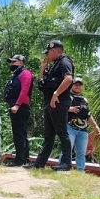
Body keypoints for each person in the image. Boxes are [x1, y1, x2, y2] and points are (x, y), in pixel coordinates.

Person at [25, 40, 74, 171]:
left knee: (62, 132)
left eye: (48, 53)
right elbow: (42, 83)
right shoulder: (54, 65)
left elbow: (69, 79)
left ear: (53, 50)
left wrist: (56, 94)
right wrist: (43, 67)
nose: (47, 55)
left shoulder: (64, 62)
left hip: (59, 102)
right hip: (50, 103)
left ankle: (66, 163)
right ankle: (39, 163)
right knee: (49, 135)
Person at [61, 76, 100, 172]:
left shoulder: (84, 100)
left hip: (83, 129)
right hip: (70, 126)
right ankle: (63, 167)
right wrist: (69, 109)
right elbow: (58, 108)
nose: (78, 86)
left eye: (80, 85)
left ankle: (80, 171)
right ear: (72, 85)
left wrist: (95, 125)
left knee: (81, 152)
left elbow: (88, 114)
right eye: (76, 84)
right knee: (67, 149)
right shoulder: (66, 96)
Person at [3, 54, 33, 167]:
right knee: (19, 133)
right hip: (16, 106)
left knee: (19, 134)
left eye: (14, 61)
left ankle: (20, 160)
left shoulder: (25, 73)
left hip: (21, 107)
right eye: (11, 62)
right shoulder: (17, 74)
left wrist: (17, 105)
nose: (11, 64)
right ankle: (23, 158)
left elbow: (24, 90)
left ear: (21, 62)